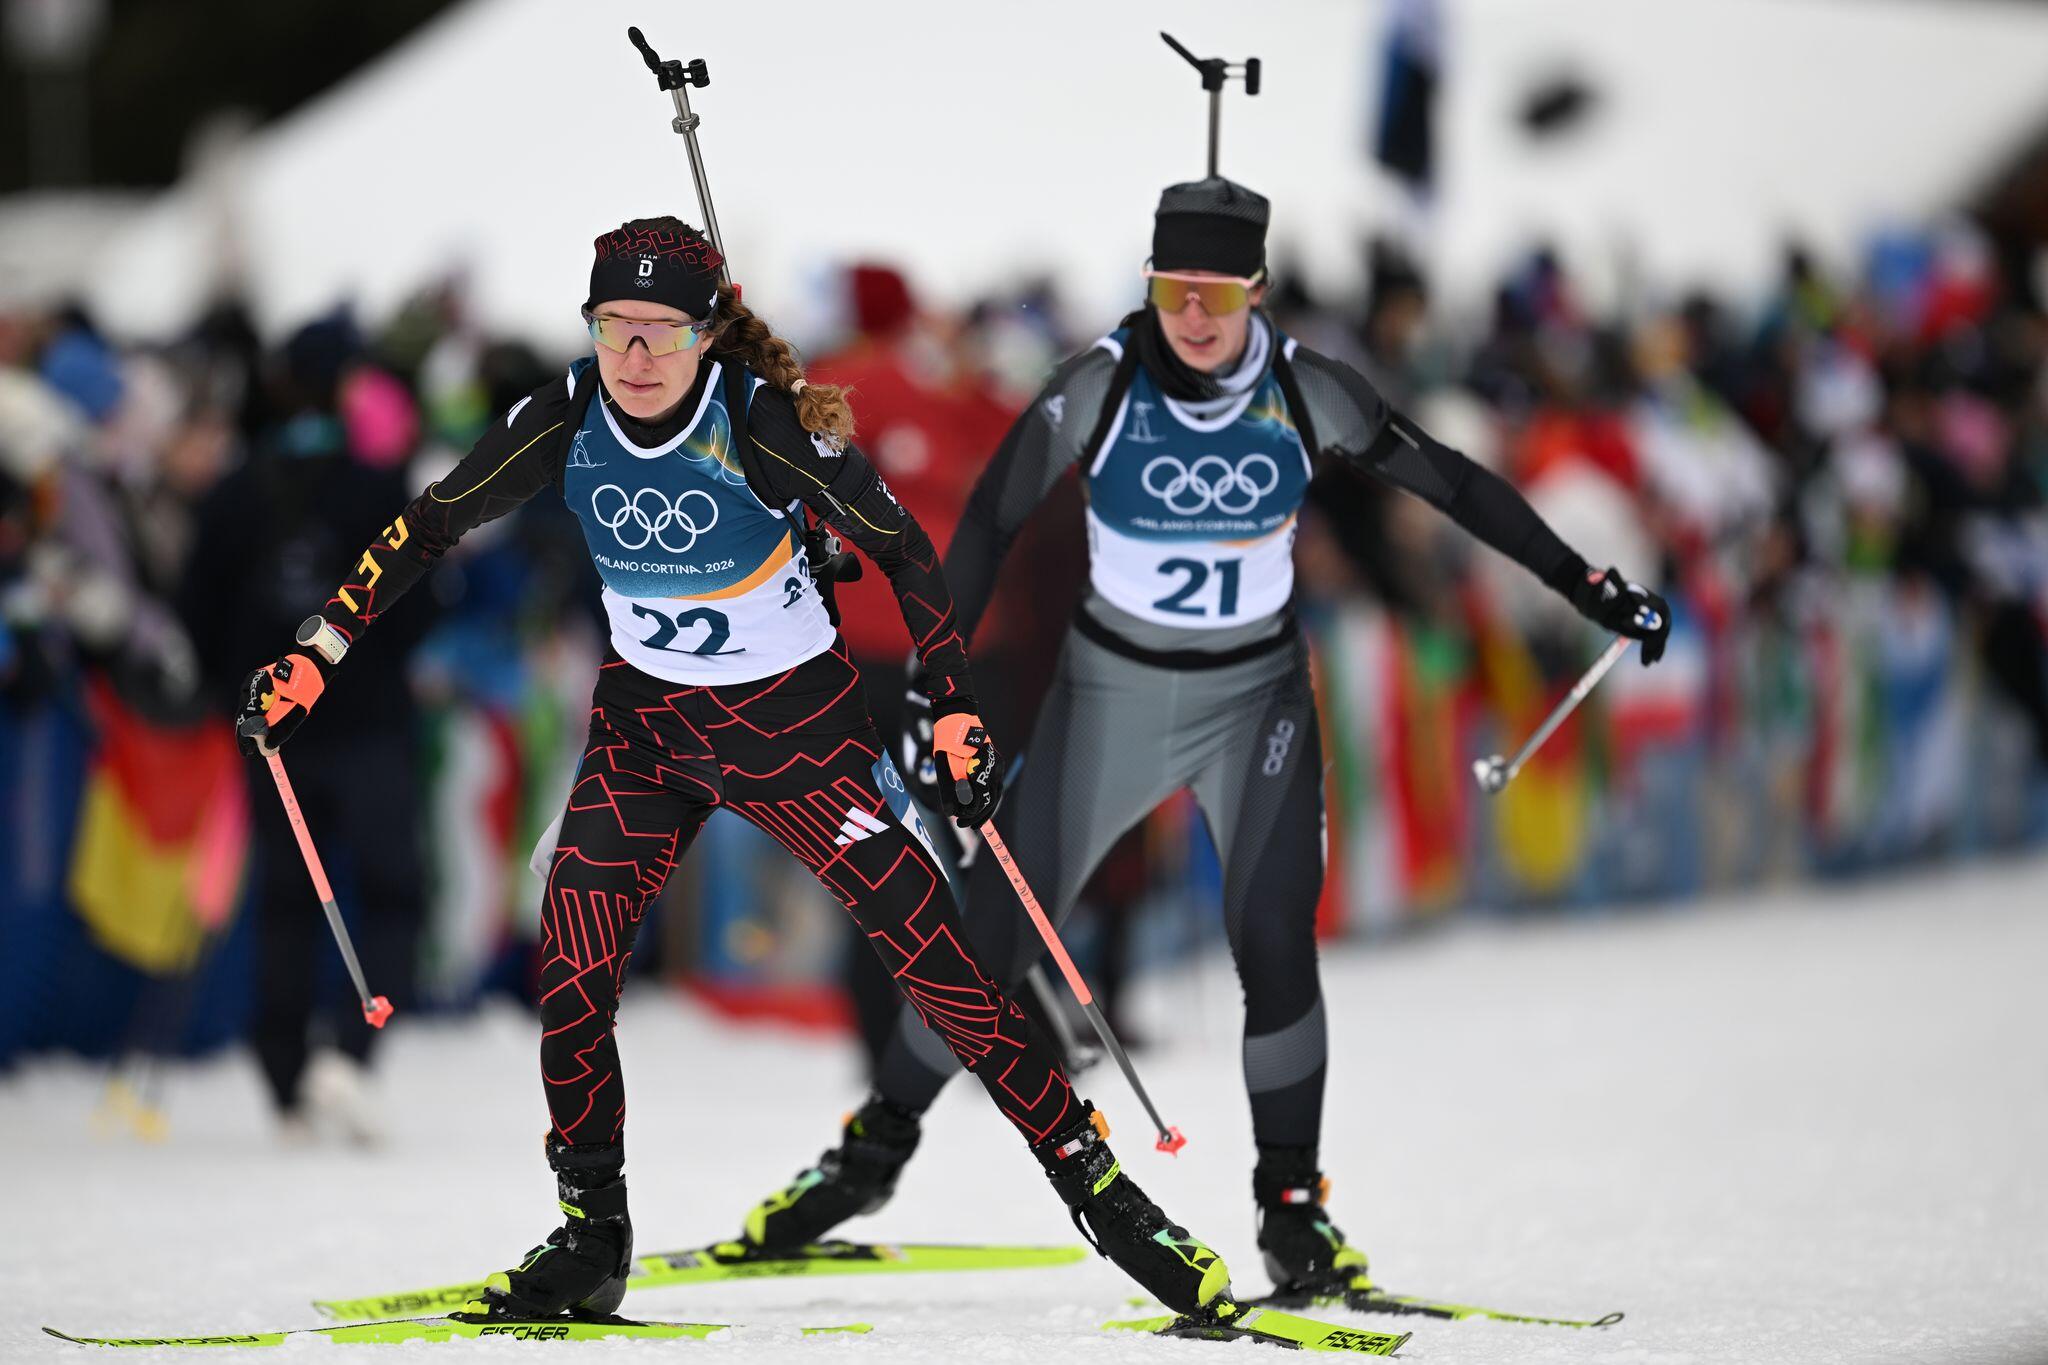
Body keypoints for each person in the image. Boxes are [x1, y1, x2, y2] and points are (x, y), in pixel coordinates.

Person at [234, 218, 1235, 1322]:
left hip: (796, 738)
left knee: (942, 969)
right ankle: (591, 1231)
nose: (635, 356)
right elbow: (428, 526)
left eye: (661, 332)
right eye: (613, 327)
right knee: (574, 951)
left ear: (707, 334)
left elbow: (906, 551)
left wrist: (951, 706)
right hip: (649, 733)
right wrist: (318, 651)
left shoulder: (759, 424)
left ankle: (1104, 1195)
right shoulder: (566, 414)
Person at [740, 180, 1672, 1303]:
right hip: (1112, 694)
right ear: (1149, 285)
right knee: (986, 944)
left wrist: (1585, 583)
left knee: (1273, 940)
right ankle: (871, 1153)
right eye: (1174, 290)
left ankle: (1294, 1209)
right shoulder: (1098, 382)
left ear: (1255, 292)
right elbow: (988, 518)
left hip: (1253, 701)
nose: (1192, 315)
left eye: (1217, 295)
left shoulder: (1307, 389)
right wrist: (942, 679)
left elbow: (1453, 484)